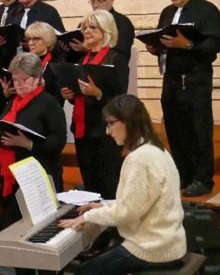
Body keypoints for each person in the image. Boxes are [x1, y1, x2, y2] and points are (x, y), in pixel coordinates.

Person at [59, 94, 187, 275]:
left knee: (83, 272)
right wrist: (103, 205)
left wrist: (87, 217)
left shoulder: (139, 159)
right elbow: (138, 203)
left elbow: (127, 213)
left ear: (128, 121)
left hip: (152, 250)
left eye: (110, 123)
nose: (107, 131)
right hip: (169, 244)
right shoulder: (157, 149)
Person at [0, 52, 67, 275]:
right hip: (14, 177)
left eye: (24, 80)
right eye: (15, 80)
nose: (18, 85)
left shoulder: (48, 103)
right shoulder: (12, 102)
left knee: (42, 238)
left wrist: (28, 144)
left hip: (40, 177)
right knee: (19, 239)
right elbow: (1, 126)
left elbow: (58, 141)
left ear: (37, 78)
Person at [146, 0, 220, 197]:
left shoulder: (206, 10)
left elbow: (214, 44)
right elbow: (164, 39)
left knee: (198, 130)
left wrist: (186, 45)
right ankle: (184, 174)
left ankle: (203, 179)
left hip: (195, 80)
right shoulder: (167, 12)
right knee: (175, 130)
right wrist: (155, 47)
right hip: (171, 79)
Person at [61, 10, 126, 200]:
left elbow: (120, 98)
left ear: (106, 31)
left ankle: (111, 228)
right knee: (90, 184)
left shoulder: (116, 59)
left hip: (104, 131)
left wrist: (97, 94)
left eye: (92, 28)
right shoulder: (83, 59)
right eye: (85, 28)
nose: (86, 32)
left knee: (108, 184)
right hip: (84, 129)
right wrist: (70, 95)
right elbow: (81, 94)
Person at [67, 0, 135, 90]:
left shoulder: (122, 22)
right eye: (93, 1)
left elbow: (122, 50)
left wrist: (87, 48)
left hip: (109, 73)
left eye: (100, 1)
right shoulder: (86, 22)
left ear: (111, 0)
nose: (96, 5)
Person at [22, 21, 67, 104]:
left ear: (47, 40)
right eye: (29, 39)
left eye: (35, 39)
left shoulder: (57, 64)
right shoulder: (25, 61)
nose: (31, 43)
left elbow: (58, 99)